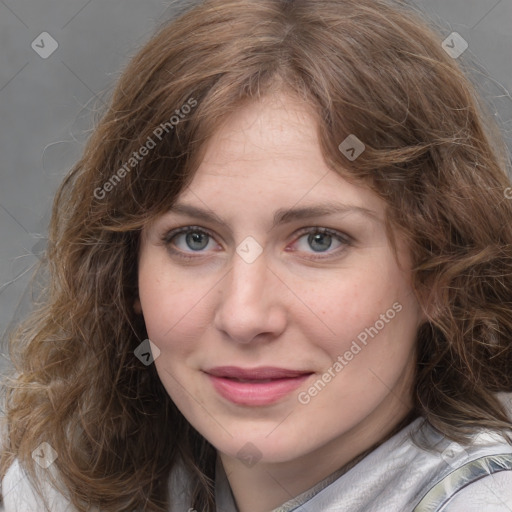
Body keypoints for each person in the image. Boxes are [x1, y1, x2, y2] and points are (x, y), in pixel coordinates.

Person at [1, 0, 512, 510]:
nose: (244, 316)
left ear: (440, 274)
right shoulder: (57, 484)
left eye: (318, 240)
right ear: (127, 274)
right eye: (194, 239)